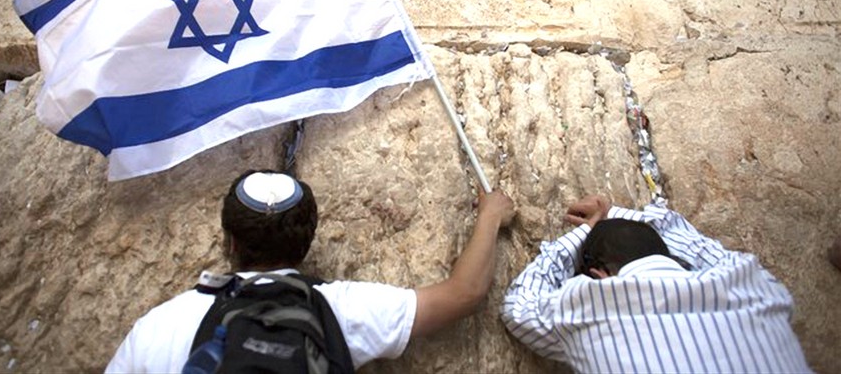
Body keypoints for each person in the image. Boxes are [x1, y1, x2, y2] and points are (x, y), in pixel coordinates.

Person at [106, 170, 515, 372]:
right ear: (307, 241)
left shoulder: (160, 326)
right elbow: (465, 293)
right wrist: (491, 216)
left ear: (228, 241)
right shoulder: (339, 310)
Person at [502, 195, 812, 373]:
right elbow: (692, 241)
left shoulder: (595, 303)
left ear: (598, 276)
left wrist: (583, 235)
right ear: (675, 258)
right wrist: (614, 215)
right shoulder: (750, 281)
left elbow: (519, 307)